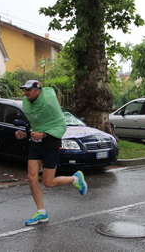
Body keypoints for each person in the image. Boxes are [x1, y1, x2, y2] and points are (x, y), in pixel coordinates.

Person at [15, 80, 87, 226]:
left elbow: (59, 127)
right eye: (25, 90)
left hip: (51, 144)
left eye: (28, 90)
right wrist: (25, 134)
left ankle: (75, 179)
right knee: (31, 177)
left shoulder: (49, 104)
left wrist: (44, 135)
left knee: (48, 182)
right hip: (36, 145)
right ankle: (41, 213)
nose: (25, 93)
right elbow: (36, 126)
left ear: (38, 91)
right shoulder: (29, 104)